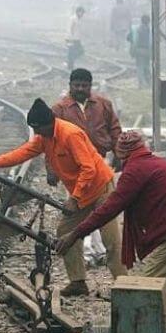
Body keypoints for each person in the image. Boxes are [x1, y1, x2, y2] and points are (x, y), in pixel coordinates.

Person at [57, 131, 166, 333]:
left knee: (148, 290)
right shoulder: (159, 163)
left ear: (121, 153)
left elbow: (110, 208)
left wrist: (75, 234)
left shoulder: (134, 171)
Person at [0, 98, 127, 296]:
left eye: (38, 129)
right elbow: (23, 153)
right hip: (81, 194)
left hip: (101, 189)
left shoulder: (70, 134)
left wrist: (74, 199)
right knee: (65, 233)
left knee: (111, 240)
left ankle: (124, 285)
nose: (37, 134)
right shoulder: (44, 137)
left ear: (49, 123)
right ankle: (78, 281)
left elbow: (89, 168)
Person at [51, 68, 122, 266]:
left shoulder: (103, 105)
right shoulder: (60, 109)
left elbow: (115, 129)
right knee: (75, 214)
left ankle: (114, 268)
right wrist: (51, 168)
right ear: (70, 85)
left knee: (106, 217)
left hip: (100, 165)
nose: (81, 89)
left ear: (90, 86)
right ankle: (80, 272)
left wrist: (119, 152)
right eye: (77, 85)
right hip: (75, 172)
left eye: (84, 85)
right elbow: (49, 140)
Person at [128, 14, 152, 87]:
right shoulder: (150, 30)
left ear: (141, 21)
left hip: (138, 50)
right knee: (147, 66)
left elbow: (129, 38)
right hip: (148, 51)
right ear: (149, 21)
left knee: (140, 67)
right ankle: (148, 82)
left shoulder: (136, 29)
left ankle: (141, 83)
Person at [66, 6, 86, 70]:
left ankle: (70, 63)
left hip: (77, 38)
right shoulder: (73, 18)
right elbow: (70, 28)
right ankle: (70, 65)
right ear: (78, 12)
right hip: (72, 38)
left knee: (79, 51)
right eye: (81, 12)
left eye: (83, 13)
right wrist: (70, 38)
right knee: (72, 52)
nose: (82, 14)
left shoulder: (79, 19)